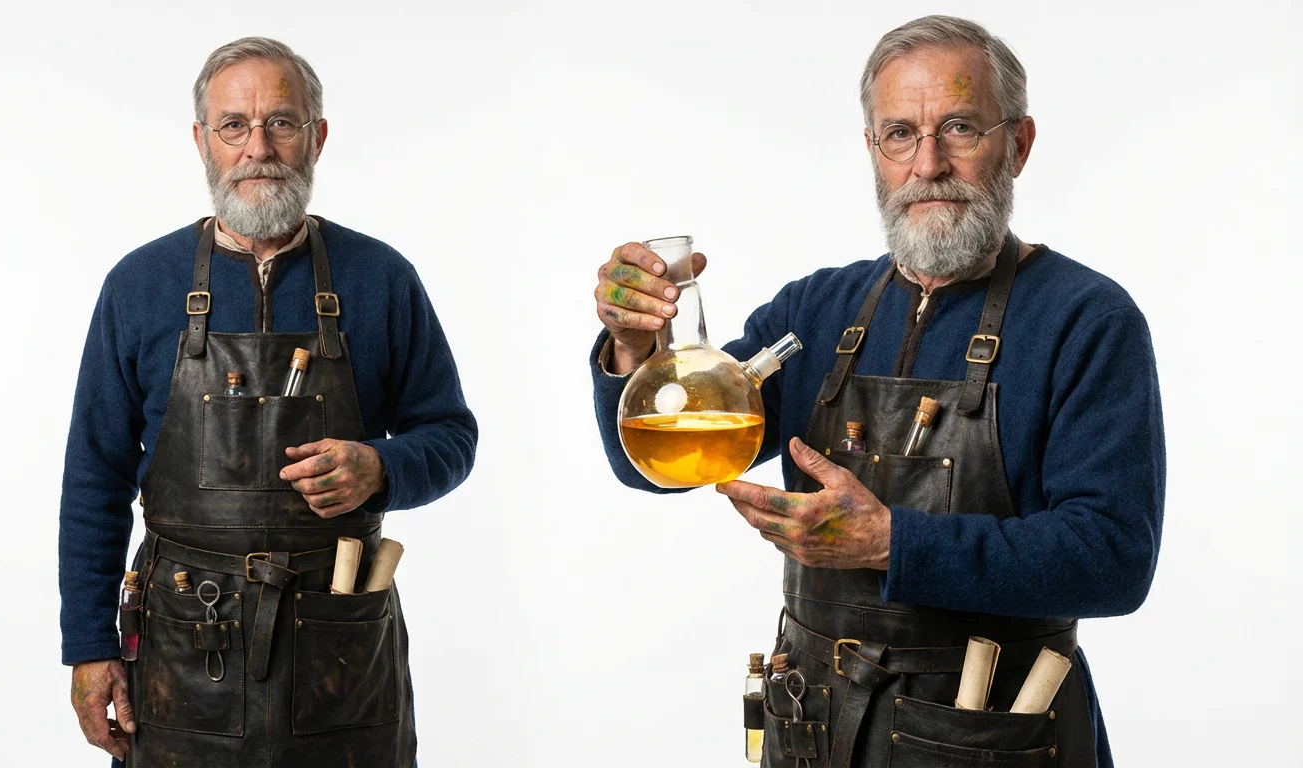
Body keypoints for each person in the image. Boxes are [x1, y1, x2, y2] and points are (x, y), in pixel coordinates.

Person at [589, 15, 1163, 767]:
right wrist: (636, 347)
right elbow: (654, 465)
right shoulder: (812, 313)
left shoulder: (1087, 319)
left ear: (1017, 145)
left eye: (959, 127)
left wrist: (894, 540)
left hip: (995, 736)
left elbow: (1113, 560)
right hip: (811, 728)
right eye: (899, 133)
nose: (928, 164)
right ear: (873, 151)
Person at [59, 37, 477, 766]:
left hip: (339, 640)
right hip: (184, 637)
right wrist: (89, 647)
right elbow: (94, 476)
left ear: (316, 137)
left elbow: (450, 434)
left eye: (281, 123)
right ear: (201, 141)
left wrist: (380, 467)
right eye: (234, 126)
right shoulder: (139, 284)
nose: (259, 147)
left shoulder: (381, 277)